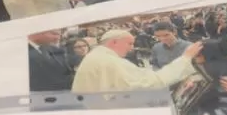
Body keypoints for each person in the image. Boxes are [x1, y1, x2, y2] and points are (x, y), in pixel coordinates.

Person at [70, 30, 201, 93]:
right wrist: (185, 58)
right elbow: (153, 82)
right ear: (114, 42)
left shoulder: (97, 55)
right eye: (129, 43)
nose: (132, 48)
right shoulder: (108, 61)